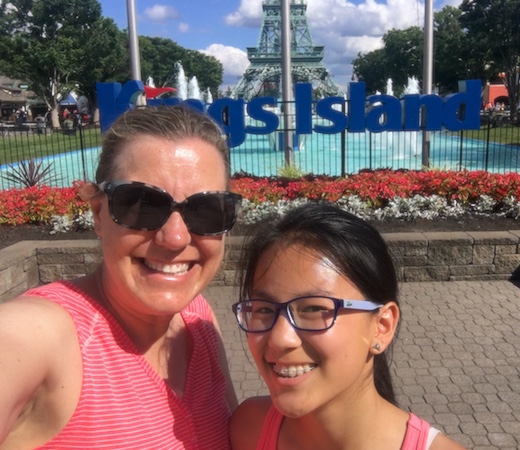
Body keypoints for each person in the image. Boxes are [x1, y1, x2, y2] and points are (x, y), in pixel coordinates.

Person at [0, 105, 240, 449]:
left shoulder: (198, 319)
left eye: (206, 210)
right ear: (99, 213)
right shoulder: (44, 337)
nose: (175, 238)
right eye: (143, 205)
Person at [229, 203, 465, 450]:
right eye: (264, 309)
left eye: (314, 309)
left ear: (381, 326)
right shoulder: (249, 428)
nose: (280, 338)